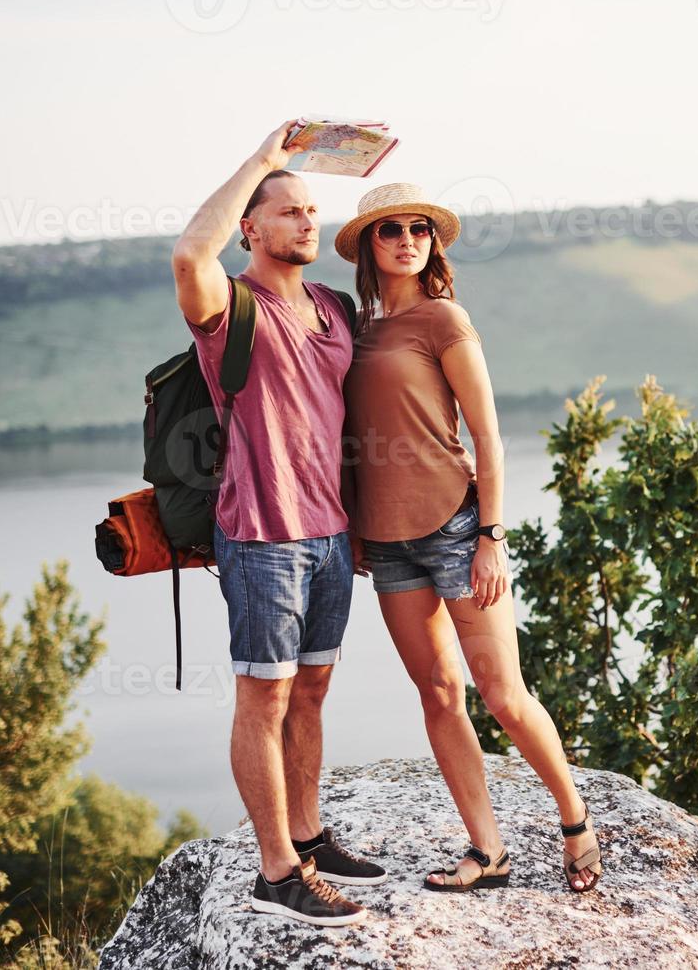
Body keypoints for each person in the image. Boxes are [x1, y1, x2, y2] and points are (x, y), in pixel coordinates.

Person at [336, 183, 604, 893]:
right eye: (389, 229)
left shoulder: (443, 320)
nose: (406, 238)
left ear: (432, 241)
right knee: (437, 692)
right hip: (388, 542)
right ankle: (488, 851)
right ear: (369, 244)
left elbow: (488, 436)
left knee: (502, 693)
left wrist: (491, 536)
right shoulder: (357, 330)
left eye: (419, 228)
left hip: (457, 523)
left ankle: (575, 819)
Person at [171, 121, 386, 927]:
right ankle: (276, 871)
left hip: (330, 535)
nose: (307, 223)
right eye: (288, 210)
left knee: (314, 690)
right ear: (250, 229)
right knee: (263, 697)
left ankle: (309, 833)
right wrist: (263, 160)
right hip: (260, 534)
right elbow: (191, 255)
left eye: (311, 211)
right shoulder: (230, 307)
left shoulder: (332, 306)